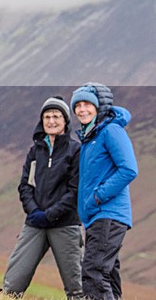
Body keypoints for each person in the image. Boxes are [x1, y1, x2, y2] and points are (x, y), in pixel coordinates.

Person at [1, 96, 83, 299]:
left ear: (65, 120)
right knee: (13, 283)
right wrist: (35, 212)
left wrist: (50, 214)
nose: (51, 121)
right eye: (47, 117)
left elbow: (75, 191)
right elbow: (25, 186)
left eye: (56, 116)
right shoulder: (35, 151)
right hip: (35, 223)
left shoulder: (76, 151)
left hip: (65, 224)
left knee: (76, 287)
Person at [71, 83, 138, 300]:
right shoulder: (90, 137)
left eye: (87, 104)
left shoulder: (111, 130)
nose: (82, 109)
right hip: (97, 217)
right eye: (77, 105)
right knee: (107, 275)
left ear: (99, 106)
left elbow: (129, 169)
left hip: (108, 213)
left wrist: (98, 196)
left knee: (94, 273)